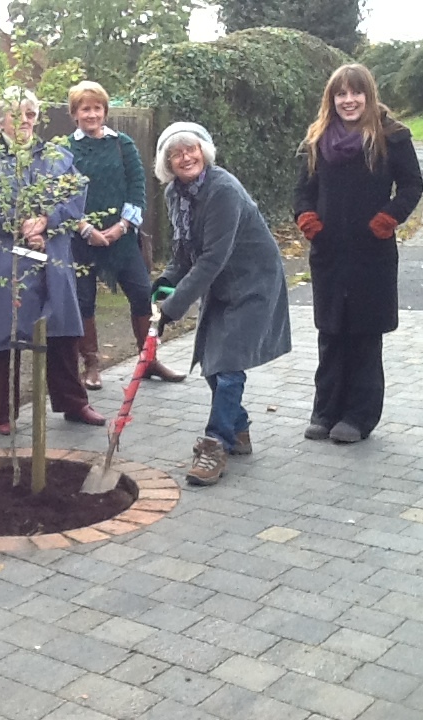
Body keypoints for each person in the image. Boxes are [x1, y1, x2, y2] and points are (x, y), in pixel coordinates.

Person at [153, 122, 291, 486]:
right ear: (167, 162)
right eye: (176, 153)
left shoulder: (223, 190)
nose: (185, 157)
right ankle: (238, 429)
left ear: (204, 151)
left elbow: (212, 258)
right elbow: (185, 252)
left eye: (191, 149)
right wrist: (166, 283)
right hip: (222, 283)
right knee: (213, 364)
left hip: (253, 281)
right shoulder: (175, 195)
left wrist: (174, 307)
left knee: (228, 365)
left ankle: (215, 445)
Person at [0, 87, 107, 435]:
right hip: (6, 257)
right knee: (6, 332)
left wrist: (47, 219)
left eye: (31, 114)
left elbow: (76, 197)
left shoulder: (57, 156)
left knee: (61, 330)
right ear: (1, 119)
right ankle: (5, 413)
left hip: (53, 254)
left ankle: (73, 402)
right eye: (17, 113)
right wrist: (22, 224)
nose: (25, 120)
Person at [294, 63, 423, 444]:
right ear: (331, 99)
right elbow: (302, 191)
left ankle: (358, 416)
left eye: (355, 93)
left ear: (368, 95)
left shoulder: (391, 137)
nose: (348, 101)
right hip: (329, 252)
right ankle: (326, 410)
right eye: (341, 94)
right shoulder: (316, 139)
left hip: (372, 252)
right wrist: (308, 220)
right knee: (331, 331)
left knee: (364, 333)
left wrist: (388, 219)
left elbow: (413, 185)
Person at [66, 81, 184, 389]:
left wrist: (121, 227)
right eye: (84, 108)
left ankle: (149, 360)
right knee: (84, 301)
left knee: (143, 295)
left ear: (105, 111)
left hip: (124, 239)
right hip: (82, 241)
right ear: (75, 114)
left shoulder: (123, 144)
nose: (91, 114)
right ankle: (91, 365)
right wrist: (86, 229)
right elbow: (60, 196)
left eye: (97, 108)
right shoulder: (65, 149)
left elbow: (137, 188)